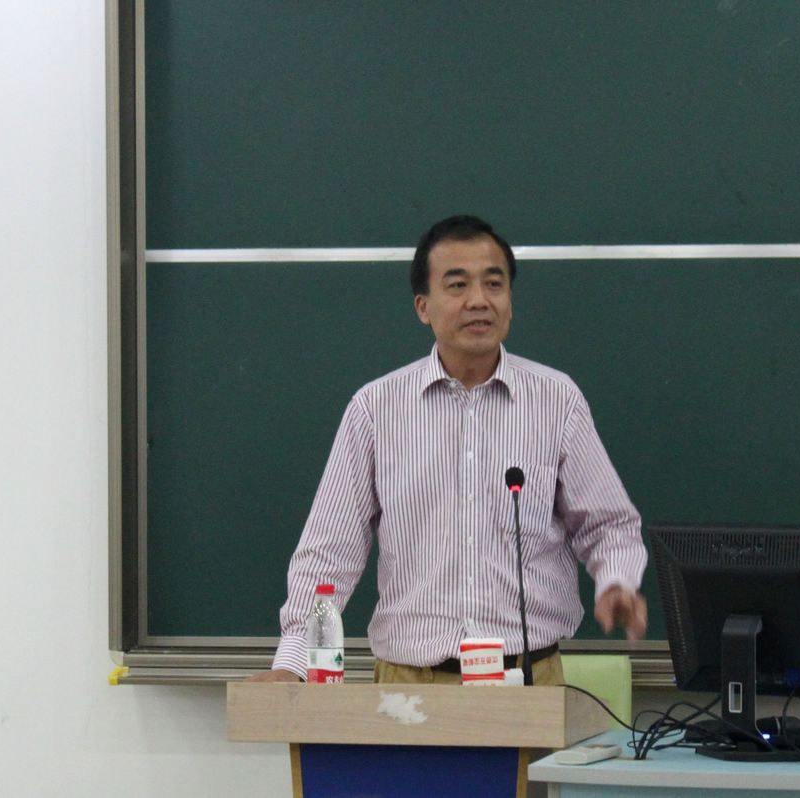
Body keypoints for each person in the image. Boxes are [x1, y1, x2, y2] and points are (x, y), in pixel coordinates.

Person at [247, 215, 647, 685]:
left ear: (510, 302)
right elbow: (329, 550)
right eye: (457, 285)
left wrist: (617, 580)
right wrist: (293, 662)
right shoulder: (376, 409)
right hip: (407, 680)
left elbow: (607, 524)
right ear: (423, 307)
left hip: (527, 678)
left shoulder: (557, 401)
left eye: (494, 284)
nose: (479, 300)